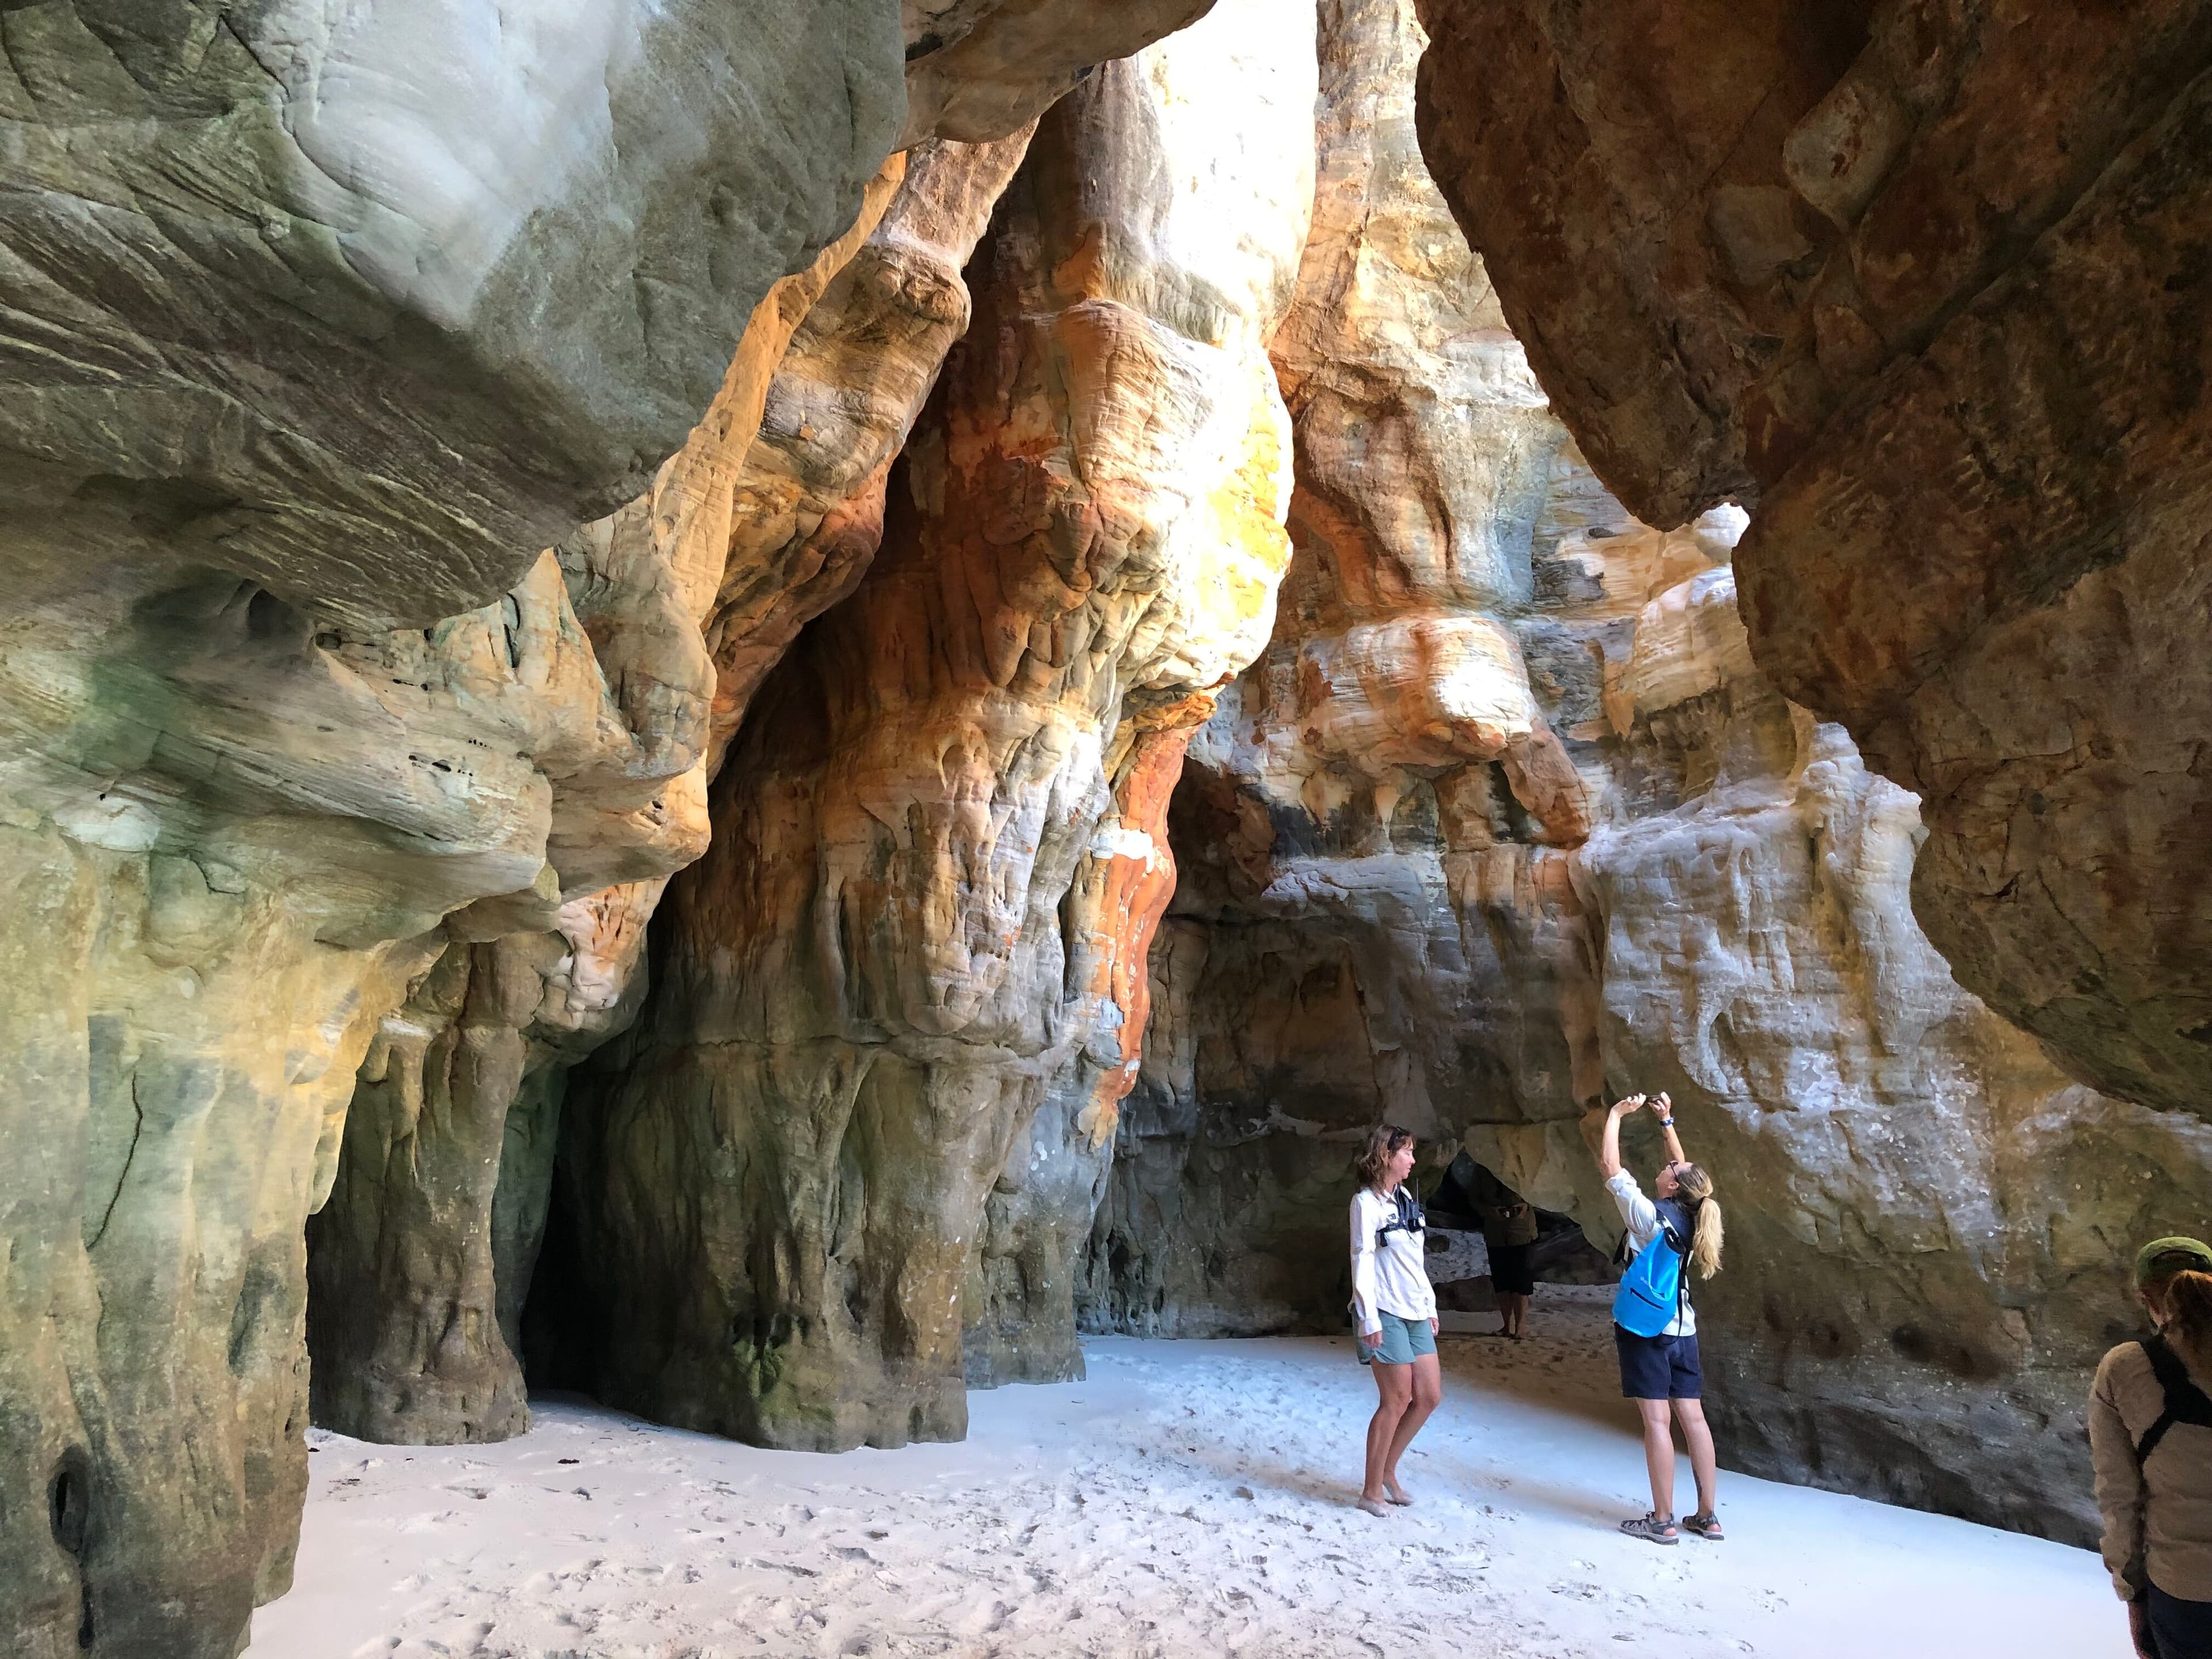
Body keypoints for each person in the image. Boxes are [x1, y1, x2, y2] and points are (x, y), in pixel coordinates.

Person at [1598, 1090, 1725, 1544]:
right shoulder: (1695, 1214)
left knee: (1657, 1422)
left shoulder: (1648, 1218)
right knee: (1694, 1419)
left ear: (1672, 1186)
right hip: (1683, 1328)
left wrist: (1616, 1115)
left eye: (1672, 1167)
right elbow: (1687, 1173)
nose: (1670, 1163)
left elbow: (1610, 1167)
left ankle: (1663, 1521)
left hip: (1647, 1328)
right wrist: (1666, 1122)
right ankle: (1708, 1516)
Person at [2090, 1236, 2212, 1659]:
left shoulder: (2125, 1369)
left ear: (2146, 1299)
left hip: (2186, 1592)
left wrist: (2132, 1592)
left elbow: (2119, 1495)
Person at [1350, 1123, 1441, 1518]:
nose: (1413, 1160)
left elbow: (1415, 1260)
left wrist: (1430, 1305)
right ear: (1386, 1156)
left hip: (1416, 1309)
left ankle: (1388, 1470)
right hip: (1385, 1310)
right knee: (1396, 1400)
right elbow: (1361, 1259)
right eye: (1407, 1152)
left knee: (1429, 1397)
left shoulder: (1404, 1198)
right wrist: (1368, 1317)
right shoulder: (1365, 1203)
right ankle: (1371, 1490)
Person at [1466, 1162, 1540, 1339]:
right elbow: (1474, 1196)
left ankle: (1520, 1327)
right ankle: (1507, 1326)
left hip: (1521, 1229)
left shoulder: (1522, 1163)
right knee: (1502, 1281)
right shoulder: (1483, 1169)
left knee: (1521, 1280)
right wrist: (1488, 1211)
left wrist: (1526, 1205)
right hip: (1496, 1231)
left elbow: (1539, 1191)